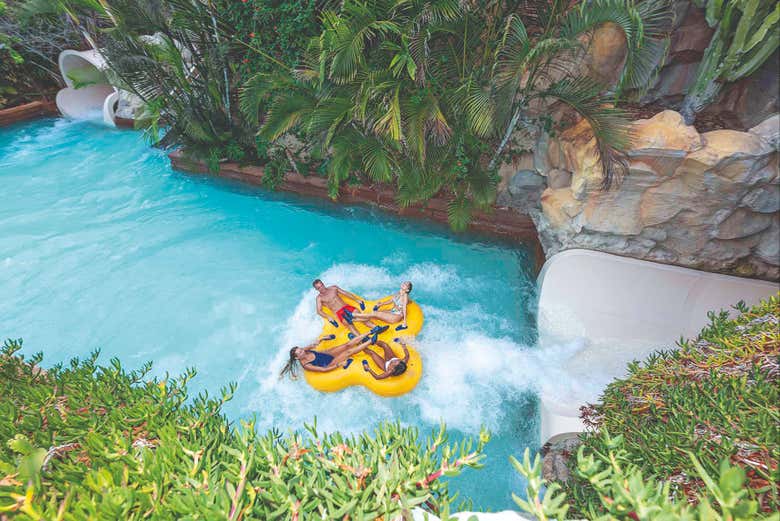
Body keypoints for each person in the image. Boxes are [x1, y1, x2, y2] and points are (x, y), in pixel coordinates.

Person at [280, 334, 375, 379]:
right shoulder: (306, 365)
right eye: (300, 352)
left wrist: (323, 338)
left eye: (301, 349)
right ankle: (371, 341)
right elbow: (323, 370)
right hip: (329, 363)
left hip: (326, 354)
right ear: (297, 357)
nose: (303, 351)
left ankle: (370, 332)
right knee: (348, 352)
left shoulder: (304, 350)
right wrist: (339, 364)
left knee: (346, 345)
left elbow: (314, 345)